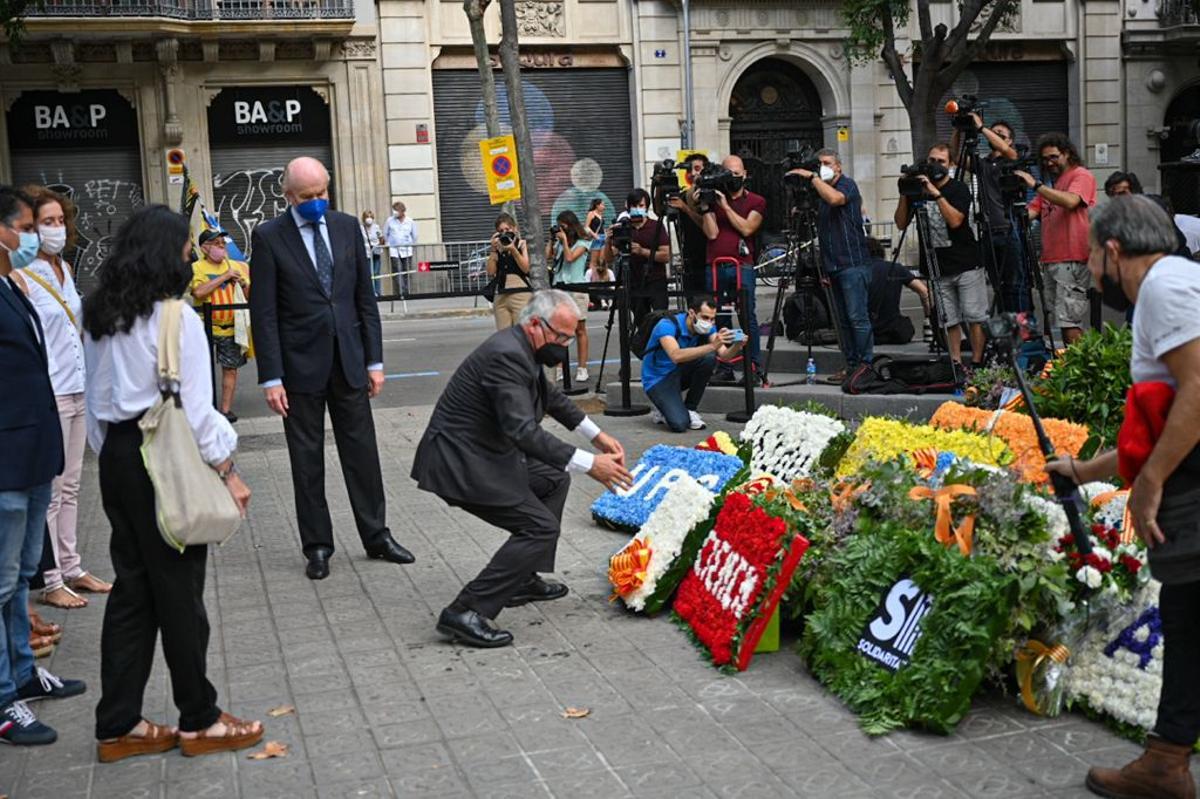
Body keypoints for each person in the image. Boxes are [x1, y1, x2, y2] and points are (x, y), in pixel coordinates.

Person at [83, 204, 261, 762]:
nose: (191, 253)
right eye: (186, 246)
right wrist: (228, 473)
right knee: (180, 593)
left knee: (133, 590)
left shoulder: (98, 311)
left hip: (117, 454)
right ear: (169, 253)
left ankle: (118, 723)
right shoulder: (177, 317)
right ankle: (199, 719)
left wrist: (113, 452)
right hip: (165, 457)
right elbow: (199, 411)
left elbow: (92, 401)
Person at [1043, 195, 1200, 798]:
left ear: (1112, 250)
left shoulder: (1162, 286)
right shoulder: (1176, 283)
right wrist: (1084, 472)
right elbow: (1160, 423)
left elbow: (1197, 390)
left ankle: (1166, 761)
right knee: (1189, 619)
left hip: (1192, 486)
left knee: (1189, 616)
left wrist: (1153, 483)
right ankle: (1166, 759)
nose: (1088, 271)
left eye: (1088, 255)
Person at [412, 290, 632, 647]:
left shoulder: (521, 347)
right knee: (539, 528)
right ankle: (465, 611)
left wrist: (597, 435)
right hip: (460, 464)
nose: (563, 345)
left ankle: (522, 578)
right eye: (560, 336)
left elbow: (551, 398)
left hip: (483, 455)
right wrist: (591, 464)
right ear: (534, 325)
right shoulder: (506, 356)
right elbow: (523, 431)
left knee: (553, 479)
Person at [249, 157, 413, 580]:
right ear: (289, 196)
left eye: (323, 193)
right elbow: (263, 312)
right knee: (307, 461)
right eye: (307, 197)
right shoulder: (268, 237)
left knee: (363, 455)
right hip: (298, 369)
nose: (317, 202)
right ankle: (318, 546)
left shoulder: (345, 228)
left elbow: (364, 299)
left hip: (350, 363)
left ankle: (377, 535)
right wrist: (271, 377)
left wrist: (374, 361)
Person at [0, 185, 83, 747]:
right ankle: (4, 699)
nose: (35, 236)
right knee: (1, 580)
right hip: (6, 459)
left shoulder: (12, 284)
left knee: (20, 576)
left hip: (34, 453)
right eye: (27, 226)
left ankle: (24, 673)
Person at [7, 186, 110, 613]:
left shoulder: (66, 268)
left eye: (58, 221)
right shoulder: (22, 273)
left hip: (77, 386)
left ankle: (71, 566)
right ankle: (49, 579)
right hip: (48, 393)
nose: (54, 229)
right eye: (43, 223)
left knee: (72, 485)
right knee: (49, 490)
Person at [895, 144, 988, 373]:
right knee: (949, 319)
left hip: (966, 263)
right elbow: (900, 223)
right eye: (932, 160)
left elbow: (956, 221)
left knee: (974, 316)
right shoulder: (919, 189)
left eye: (941, 161)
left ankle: (977, 362)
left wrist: (936, 194)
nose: (935, 165)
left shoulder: (958, 189)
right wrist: (905, 194)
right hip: (937, 267)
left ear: (951, 165)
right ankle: (955, 363)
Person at [788, 148, 873, 384]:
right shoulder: (820, 194)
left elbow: (836, 199)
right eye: (819, 163)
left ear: (838, 167)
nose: (822, 167)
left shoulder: (847, 185)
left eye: (826, 163)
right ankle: (851, 365)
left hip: (853, 263)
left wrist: (812, 177)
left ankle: (866, 365)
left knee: (857, 317)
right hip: (832, 265)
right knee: (842, 321)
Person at [1015, 133, 1097, 345]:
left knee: (1069, 320)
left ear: (1067, 153)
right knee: (1061, 320)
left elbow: (1071, 201)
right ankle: (1071, 365)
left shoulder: (1081, 175)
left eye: (1053, 156)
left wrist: (1036, 186)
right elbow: (1029, 213)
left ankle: (1080, 368)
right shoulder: (1054, 184)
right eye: (1044, 159)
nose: (1048, 162)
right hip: (1052, 260)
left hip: (1072, 258)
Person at [952, 114, 1033, 315]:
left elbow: (1007, 151)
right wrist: (957, 129)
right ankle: (1005, 328)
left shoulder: (1013, 159)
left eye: (1000, 134)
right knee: (999, 286)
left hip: (1009, 228)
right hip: (988, 231)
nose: (994, 137)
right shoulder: (984, 164)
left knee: (1016, 283)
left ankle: (1022, 331)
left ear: (1010, 140)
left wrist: (982, 129)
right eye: (993, 133)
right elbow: (956, 157)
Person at [701, 155, 765, 384]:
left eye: (737, 174)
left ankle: (753, 367)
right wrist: (706, 206)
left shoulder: (756, 201)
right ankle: (724, 366)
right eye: (729, 174)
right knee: (720, 317)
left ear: (745, 174)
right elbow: (712, 234)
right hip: (716, 264)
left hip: (742, 265)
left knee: (747, 316)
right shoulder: (715, 198)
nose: (733, 178)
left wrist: (725, 207)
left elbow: (747, 229)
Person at [643, 295, 744, 432]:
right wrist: (712, 346)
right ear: (691, 313)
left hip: (679, 372)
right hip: (658, 379)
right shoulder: (666, 325)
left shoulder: (708, 328)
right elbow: (676, 355)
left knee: (709, 358)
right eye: (705, 317)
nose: (709, 322)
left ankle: (690, 408)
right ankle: (664, 408)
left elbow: (725, 355)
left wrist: (737, 345)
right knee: (679, 424)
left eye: (712, 319)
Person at [189, 229, 250, 423]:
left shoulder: (234, 265)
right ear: (205, 248)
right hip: (204, 327)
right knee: (201, 369)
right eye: (216, 243)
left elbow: (249, 296)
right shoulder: (196, 267)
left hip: (231, 327)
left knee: (230, 368)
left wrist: (243, 283)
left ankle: (225, 410)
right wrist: (224, 277)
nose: (222, 247)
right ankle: (204, 409)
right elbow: (198, 292)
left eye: (223, 243)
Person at [606, 189, 670, 320]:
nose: (637, 209)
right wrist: (608, 241)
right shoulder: (623, 228)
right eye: (634, 206)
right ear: (628, 207)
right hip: (633, 281)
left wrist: (642, 251)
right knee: (641, 321)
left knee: (660, 318)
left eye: (641, 206)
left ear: (647, 207)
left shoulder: (656, 226)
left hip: (656, 280)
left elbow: (666, 256)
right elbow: (609, 258)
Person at [546, 210, 591, 383]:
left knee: (579, 330)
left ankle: (582, 368)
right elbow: (547, 256)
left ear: (571, 225)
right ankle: (560, 367)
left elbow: (570, 257)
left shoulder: (583, 242)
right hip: (560, 289)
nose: (561, 230)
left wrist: (564, 242)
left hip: (577, 290)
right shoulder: (558, 243)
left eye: (563, 226)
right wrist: (552, 240)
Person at [865, 238, 929, 345]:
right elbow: (923, 291)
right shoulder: (895, 268)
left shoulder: (857, 271)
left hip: (867, 333)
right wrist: (928, 319)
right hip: (894, 332)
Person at [669, 153, 711, 298]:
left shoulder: (710, 195)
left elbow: (706, 226)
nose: (693, 173)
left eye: (697, 169)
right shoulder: (684, 195)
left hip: (707, 258)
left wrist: (686, 209)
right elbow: (661, 210)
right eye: (689, 170)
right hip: (689, 258)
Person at [487, 212, 533, 329]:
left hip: (521, 292)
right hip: (501, 294)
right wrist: (493, 249)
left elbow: (526, 268)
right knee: (503, 335)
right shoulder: (497, 248)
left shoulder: (521, 244)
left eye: (507, 229)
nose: (504, 233)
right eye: (501, 231)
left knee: (522, 333)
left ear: (515, 228)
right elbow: (491, 272)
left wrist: (513, 250)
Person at [384, 200, 417, 296]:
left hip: (407, 251)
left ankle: (406, 292)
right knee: (397, 272)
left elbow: (415, 236)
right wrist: (389, 243)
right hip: (394, 251)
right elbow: (385, 233)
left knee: (407, 272)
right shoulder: (390, 221)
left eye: (396, 210)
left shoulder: (410, 221)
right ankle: (401, 293)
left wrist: (410, 244)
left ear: (402, 211)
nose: (395, 212)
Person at [360, 210, 384, 296]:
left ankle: (378, 292)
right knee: (369, 274)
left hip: (376, 252)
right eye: (367, 217)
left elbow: (381, 238)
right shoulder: (361, 228)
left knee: (376, 272)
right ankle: (371, 292)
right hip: (366, 253)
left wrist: (379, 245)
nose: (369, 219)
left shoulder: (376, 227)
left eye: (370, 217)